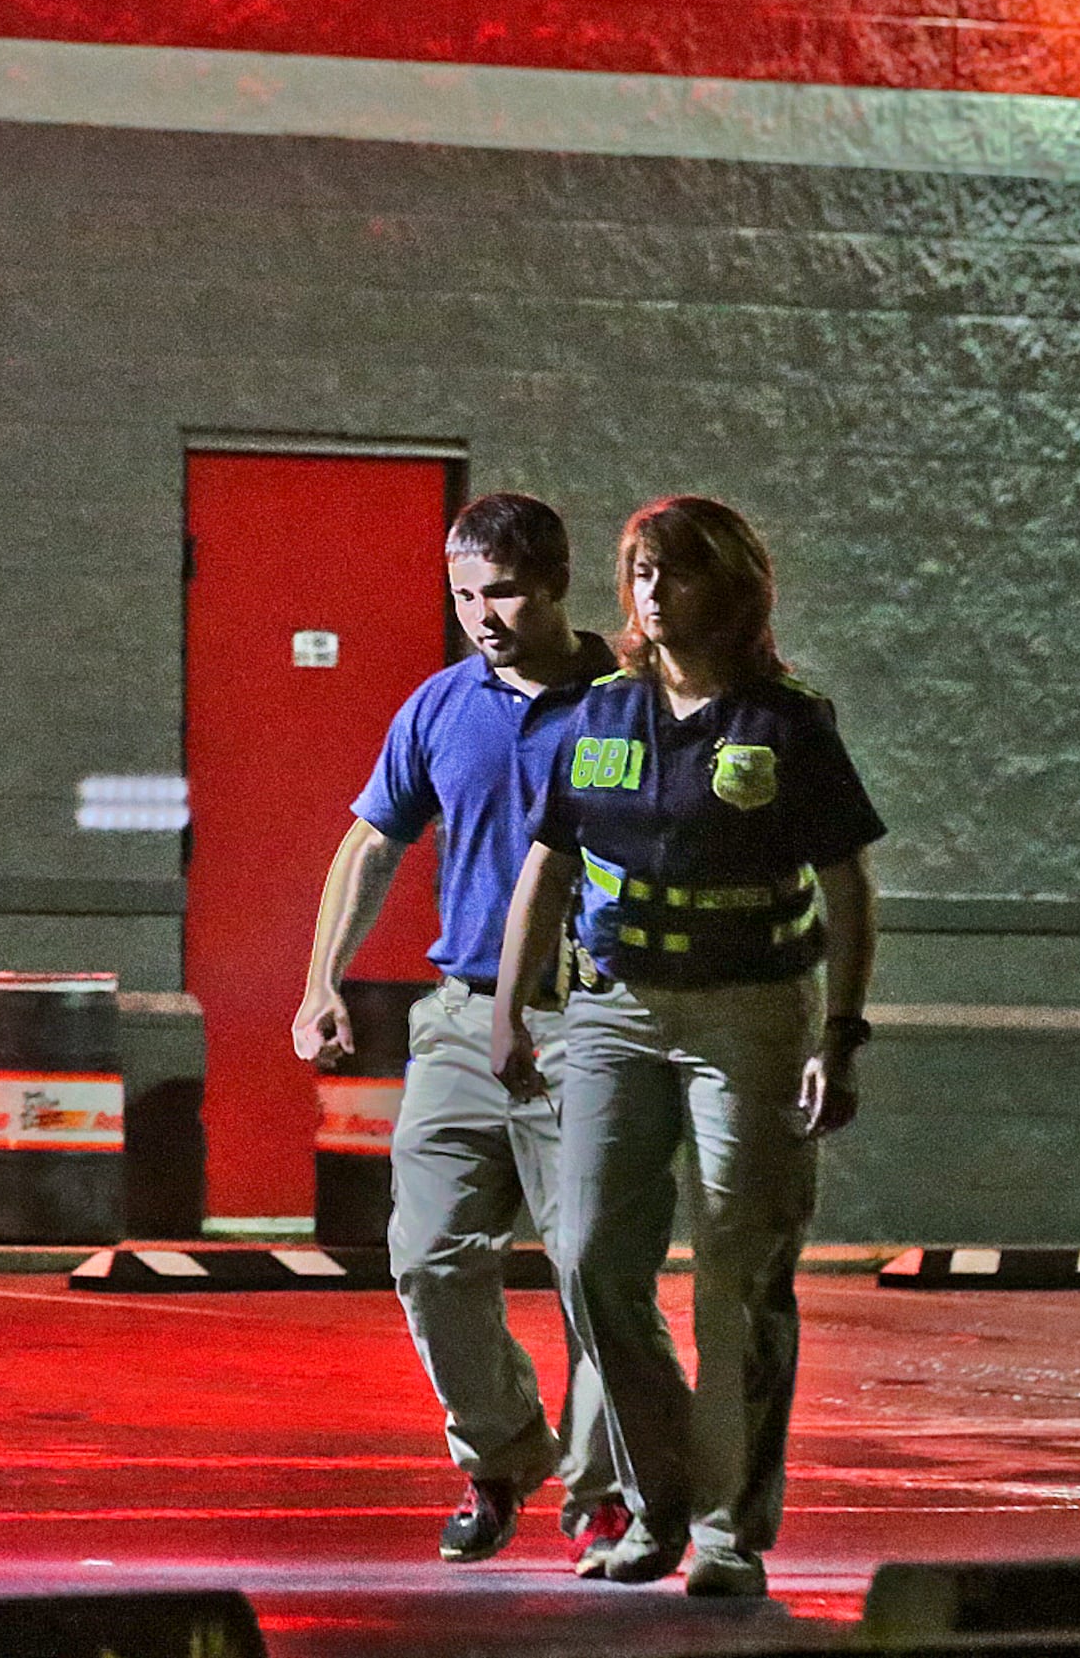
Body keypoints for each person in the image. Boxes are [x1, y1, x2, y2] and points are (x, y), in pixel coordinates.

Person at [493, 496, 881, 1601]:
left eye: (676, 572)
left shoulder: (787, 723)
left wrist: (839, 1032)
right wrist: (508, 1006)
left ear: (733, 587)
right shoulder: (602, 711)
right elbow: (548, 866)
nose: (654, 593)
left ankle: (726, 1530)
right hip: (614, 1011)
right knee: (591, 1262)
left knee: (738, 1274)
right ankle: (653, 1501)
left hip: (750, 1015)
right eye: (640, 572)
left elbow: (848, 887)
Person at [292, 493, 648, 1572]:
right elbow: (369, 844)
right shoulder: (443, 704)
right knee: (428, 1253)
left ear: (553, 584)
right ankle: (500, 1451)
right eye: (462, 594)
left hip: (590, 1019)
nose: (480, 614)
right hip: (461, 1016)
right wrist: (321, 983)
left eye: (499, 590)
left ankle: (608, 1490)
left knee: (593, 1265)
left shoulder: (629, 704)